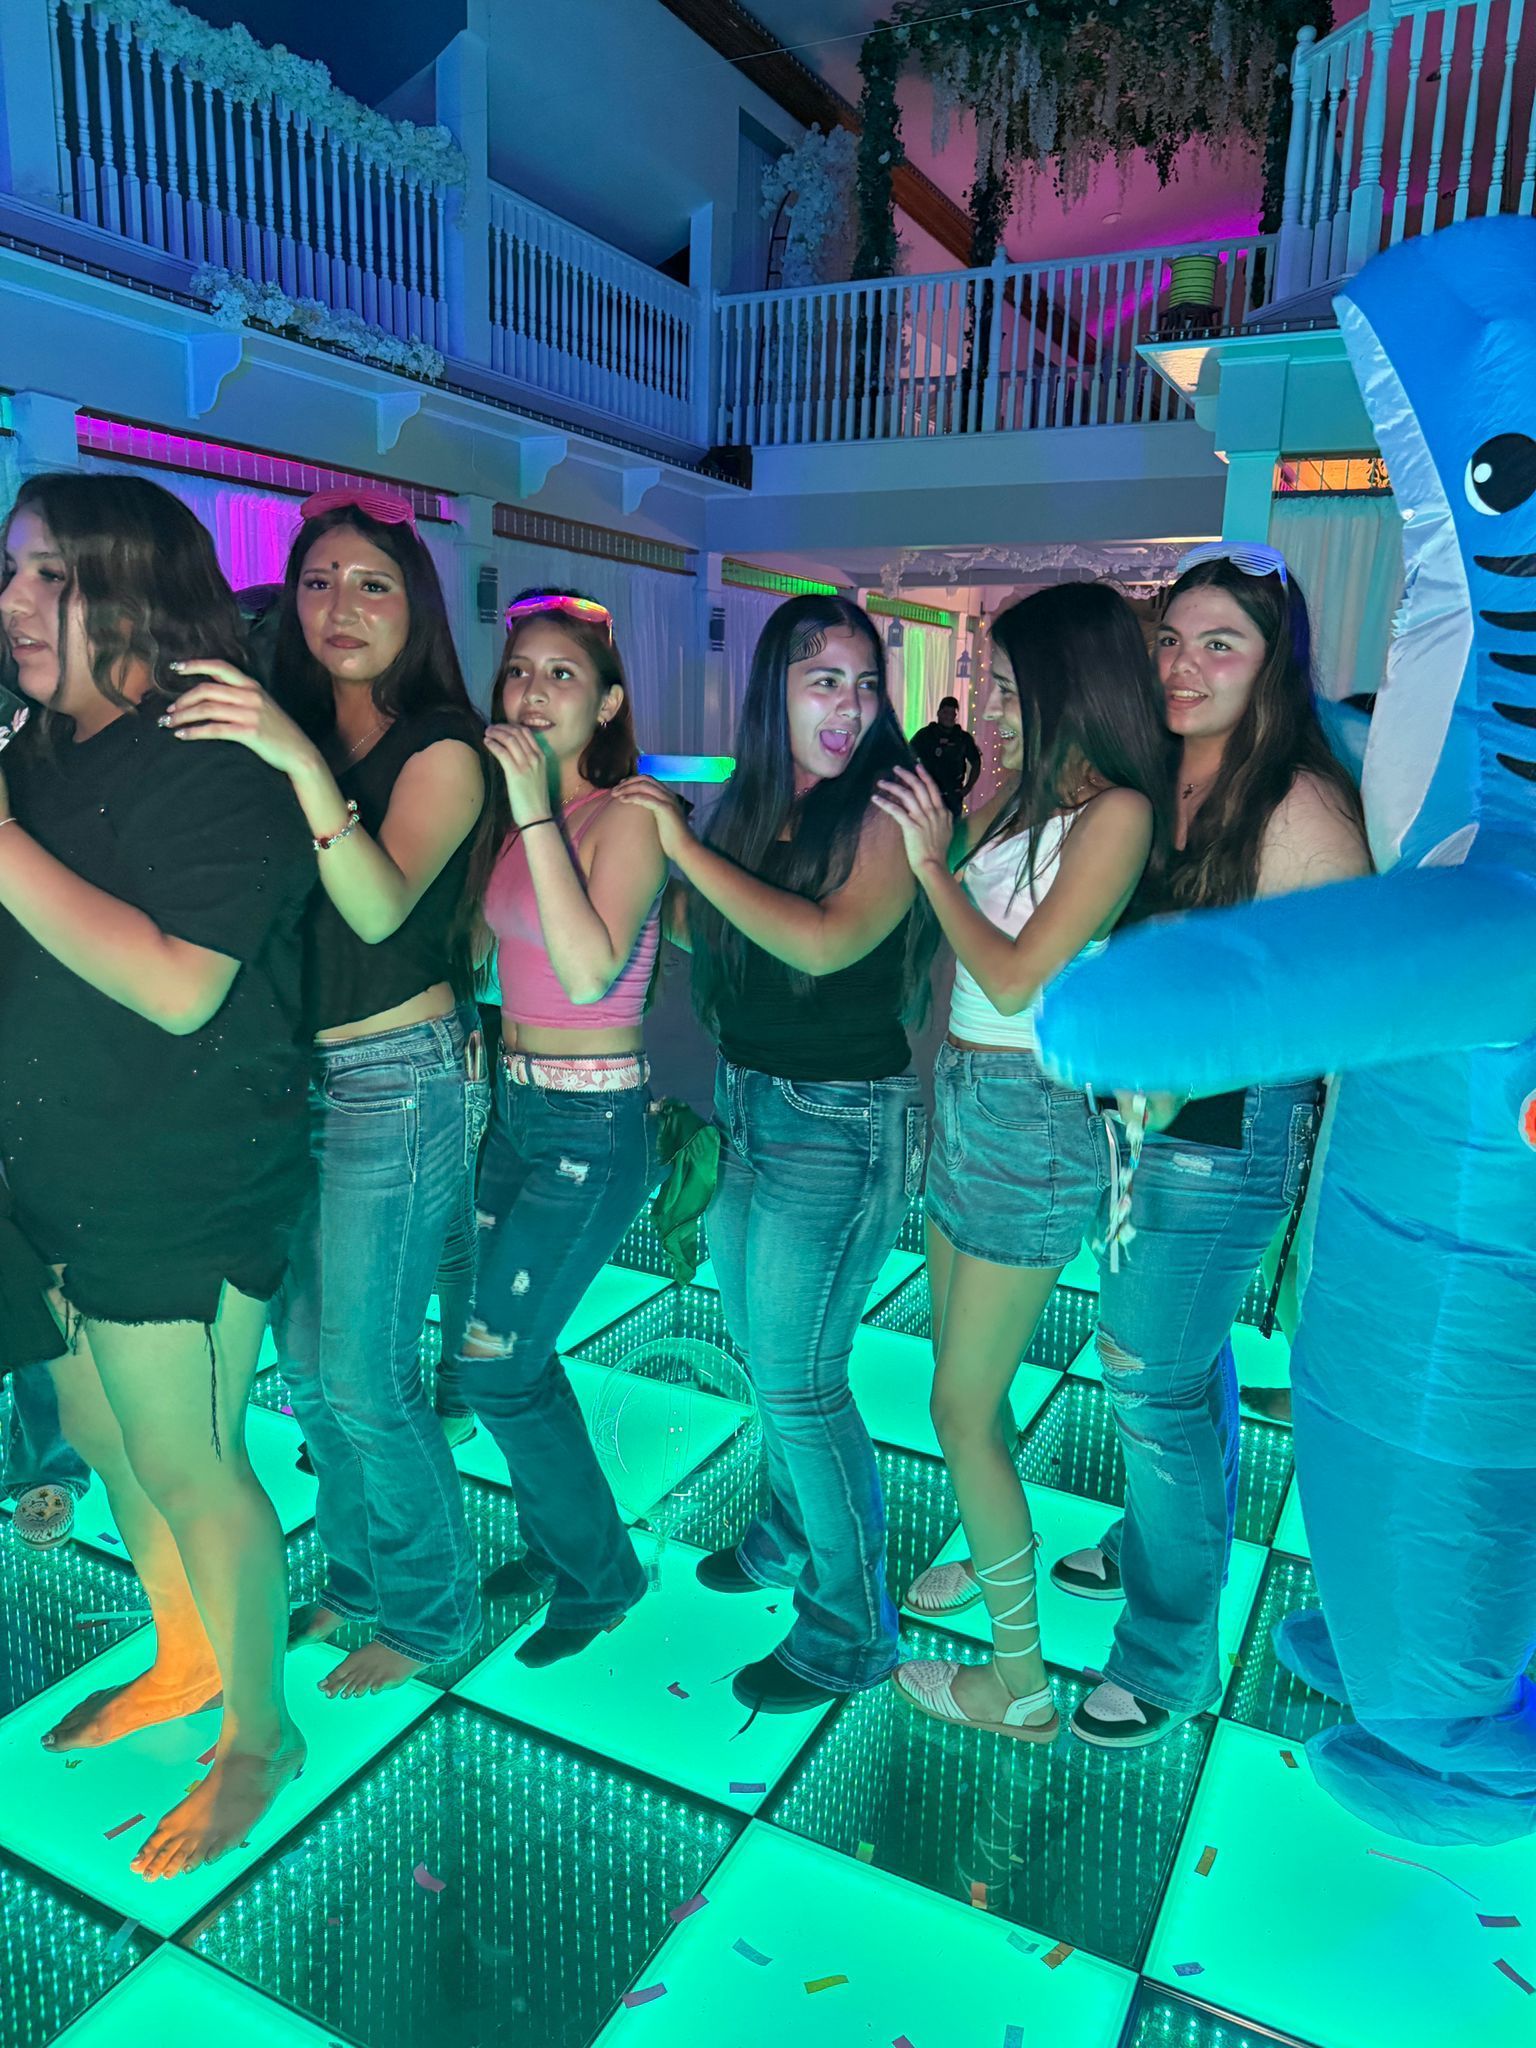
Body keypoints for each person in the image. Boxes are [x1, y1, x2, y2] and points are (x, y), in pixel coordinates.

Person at [907, 544, 1369, 1748]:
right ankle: (1149, 1539)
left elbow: (1337, 1004)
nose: (1184, 663)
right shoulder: (1155, 775)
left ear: (1273, 664)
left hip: (1222, 1128)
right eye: (1171, 638)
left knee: (1151, 1375)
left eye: (1222, 643)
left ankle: (1166, 1653)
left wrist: (1191, 1072)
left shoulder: (1298, 802)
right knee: (1166, 1361)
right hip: (1129, 1122)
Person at [0, 473, 315, 1877]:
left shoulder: (211, 755)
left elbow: (184, 987)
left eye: (48, 574)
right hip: (51, 1158)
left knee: (193, 1457)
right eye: (12, 571)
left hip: (181, 1172)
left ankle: (262, 1731)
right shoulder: (36, 750)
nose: (13, 602)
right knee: (106, 1434)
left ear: (134, 589)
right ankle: (186, 1654)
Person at [166, 487, 496, 1698]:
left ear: (415, 608)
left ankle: (433, 1606)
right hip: (293, 1078)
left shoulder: (443, 747)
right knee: (306, 1373)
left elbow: (375, 904)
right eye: (317, 582)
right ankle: (359, 1580)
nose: (339, 606)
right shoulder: (284, 735)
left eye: (371, 584)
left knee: (367, 1375)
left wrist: (297, 759)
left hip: (398, 1079)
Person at [619, 594, 931, 1714]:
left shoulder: (889, 806)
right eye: (823, 680)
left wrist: (680, 852)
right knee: (763, 1353)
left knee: (803, 1382)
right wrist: (644, 855)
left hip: (836, 1125)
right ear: (775, 693)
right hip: (748, 1104)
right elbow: (720, 931)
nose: (849, 706)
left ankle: (852, 1627)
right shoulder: (758, 806)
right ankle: (794, 1532)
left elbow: (825, 940)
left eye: (864, 682)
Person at [871, 584, 1173, 1740]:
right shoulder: (1024, 796)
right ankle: (992, 1543)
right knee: (967, 1381)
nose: (988, 705)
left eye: (1005, 685)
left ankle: (1022, 1684)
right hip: (966, 1093)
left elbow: (1008, 974)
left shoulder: (1119, 813)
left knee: (957, 1405)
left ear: (1065, 687)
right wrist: (939, 843)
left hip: (1032, 1118)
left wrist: (931, 864)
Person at [436, 589, 665, 1667]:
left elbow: (586, 971)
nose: (531, 690)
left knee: (496, 1365)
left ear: (607, 702)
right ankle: (561, 1541)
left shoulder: (627, 816)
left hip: (590, 1125)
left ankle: (603, 1574)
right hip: (518, 1113)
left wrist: (531, 806)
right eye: (519, 671)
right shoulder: (517, 818)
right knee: (505, 1352)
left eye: (561, 674)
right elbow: (501, 964)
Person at [910, 694, 982, 817]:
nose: (949, 716)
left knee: (951, 828)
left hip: (953, 797)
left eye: (952, 713)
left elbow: (976, 762)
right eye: (945, 712)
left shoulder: (962, 738)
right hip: (928, 795)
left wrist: (967, 788)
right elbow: (908, 757)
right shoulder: (925, 735)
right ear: (938, 713)